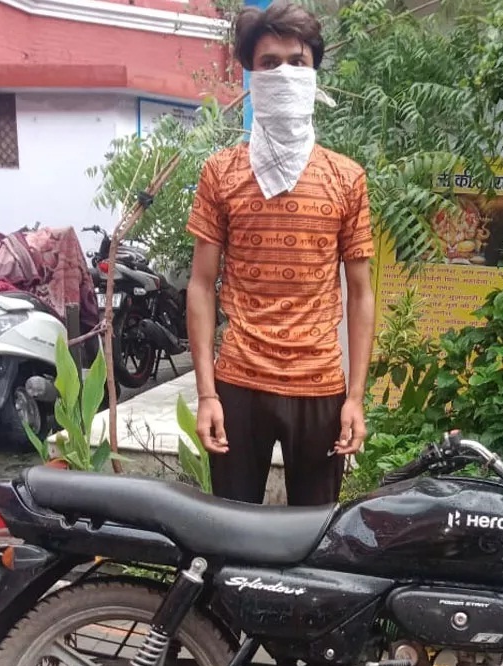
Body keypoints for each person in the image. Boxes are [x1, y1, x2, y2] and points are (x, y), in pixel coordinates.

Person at [184, 0, 375, 507]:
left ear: (313, 74)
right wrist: (206, 394)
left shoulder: (346, 178)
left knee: (313, 533)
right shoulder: (220, 173)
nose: (284, 73)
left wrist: (355, 397)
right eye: (269, 63)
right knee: (232, 531)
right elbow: (201, 284)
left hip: (320, 387)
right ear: (251, 75)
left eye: (297, 61)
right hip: (237, 384)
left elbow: (361, 293)